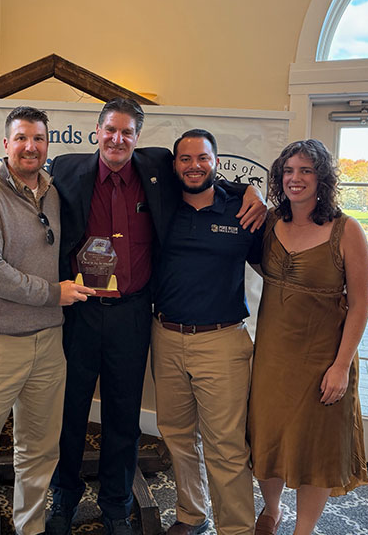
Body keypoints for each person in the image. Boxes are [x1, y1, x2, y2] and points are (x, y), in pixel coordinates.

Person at [0, 99, 266, 535]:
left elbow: (204, 175)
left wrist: (250, 192)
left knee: (124, 417)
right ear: (97, 131)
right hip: (79, 313)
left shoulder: (159, 167)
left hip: (133, 314)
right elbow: (19, 170)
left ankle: (115, 505)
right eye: (110, 130)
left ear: (138, 138)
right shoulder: (66, 169)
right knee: (70, 413)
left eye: (127, 132)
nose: (117, 139)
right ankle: (64, 500)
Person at [0, 106, 94, 535]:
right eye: (22, 138)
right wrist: (54, 294)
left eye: (39, 139)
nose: (30, 147)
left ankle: (31, 528)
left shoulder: (54, 189)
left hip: (49, 343)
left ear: (48, 145)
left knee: (39, 450)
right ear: (6, 144)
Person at [247, 139, 368, 535]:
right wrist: (245, 191)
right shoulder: (268, 224)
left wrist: (340, 366)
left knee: (314, 448)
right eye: (288, 171)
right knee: (268, 437)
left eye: (306, 171)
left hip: (324, 358)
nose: (295, 179)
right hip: (272, 356)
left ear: (323, 179)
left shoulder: (347, 231)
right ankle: (272, 509)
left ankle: (305, 528)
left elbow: (360, 305)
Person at [151, 130, 262, 535]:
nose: (194, 166)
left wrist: (249, 190)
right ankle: (190, 514)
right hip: (165, 335)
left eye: (203, 158)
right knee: (177, 435)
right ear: (174, 164)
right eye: (185, 159)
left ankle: (235, 529)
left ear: (217, 162)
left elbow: (274, 265)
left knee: (227, 446)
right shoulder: (160, 207)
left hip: (223, 341)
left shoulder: (243, 211)